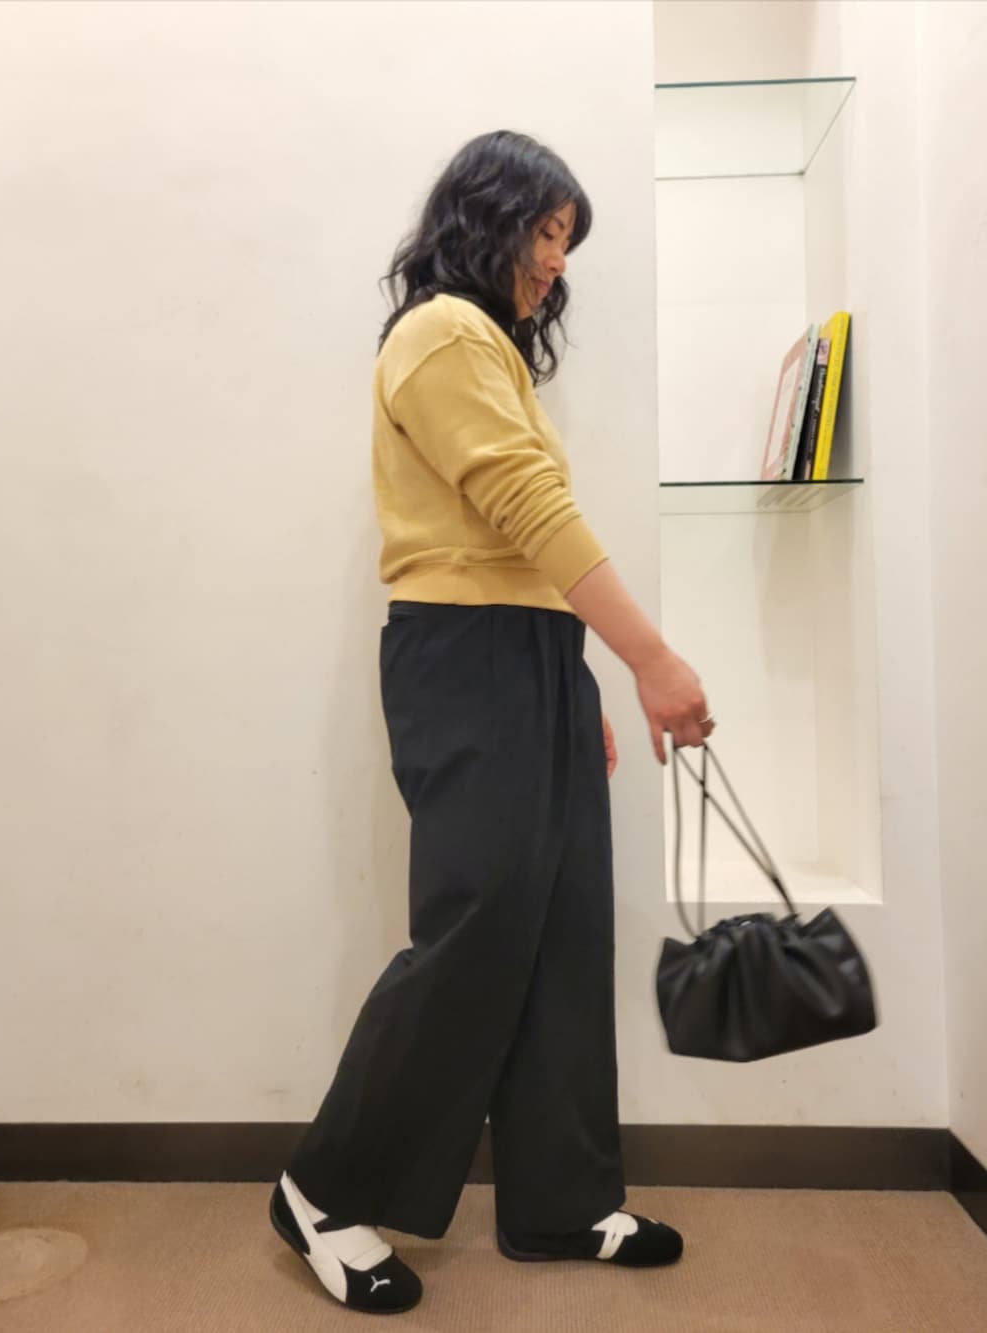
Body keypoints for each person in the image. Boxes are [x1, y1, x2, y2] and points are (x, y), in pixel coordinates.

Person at [268, 129, 713, 1315]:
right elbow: (523, 503)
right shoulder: (441, 334)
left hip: (529, 656)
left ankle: (561, 1197)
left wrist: (574, 678)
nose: (557, 262)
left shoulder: (487, 350)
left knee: (561, 927)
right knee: (476, 925)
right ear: (489, 218)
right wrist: (650, 659)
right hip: (465, 657)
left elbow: (524, 540)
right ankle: (322, 1188)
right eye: (547, 233)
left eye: (568, 241)